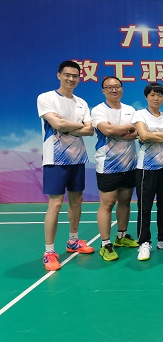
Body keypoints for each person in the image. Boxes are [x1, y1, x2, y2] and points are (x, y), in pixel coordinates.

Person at [37, 60, 95, 271]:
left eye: (75, 76)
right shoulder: (46, 98)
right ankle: (49, 251)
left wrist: (66, 126)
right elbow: (57, 124)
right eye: (67, 75)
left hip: (78, 158)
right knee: (55, 203)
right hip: (55, 158)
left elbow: (90, 130)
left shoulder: (81, 103)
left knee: (77, 200)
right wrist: (75, 126)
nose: (71, 79)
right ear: (59, 75)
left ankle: (73, 241)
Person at [91, 76, 139, 262]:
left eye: (117, 86)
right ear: (103, 90)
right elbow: (107, 131)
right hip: (108, 164)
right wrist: (125, 129)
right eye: (109, 87)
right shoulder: (98, 110)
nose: (114, 90)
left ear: (122, 89)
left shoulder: (130, 110)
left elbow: (136, 133)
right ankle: (105, 244)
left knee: (125, 201)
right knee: (107, 203)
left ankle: (121, 236)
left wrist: (117, 131)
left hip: (129, 163)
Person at [132, 82, 163, 261]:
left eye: (159, 95)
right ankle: (144, 242)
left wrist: (152, 135)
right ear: (146, 97)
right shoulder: (140, 114)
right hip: (146, 168)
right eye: (152, 95)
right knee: (144, 206)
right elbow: (143, 135)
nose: (156, 98)